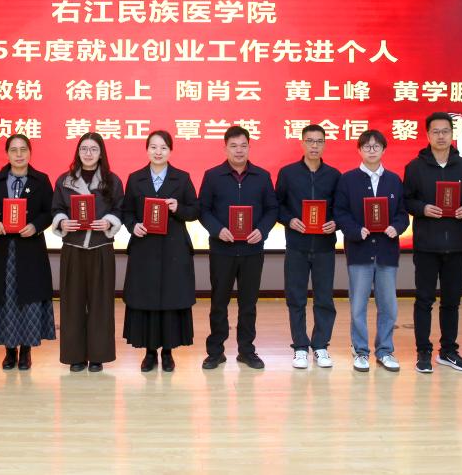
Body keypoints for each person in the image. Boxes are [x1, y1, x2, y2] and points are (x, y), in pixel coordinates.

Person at [403, 112, 462, 374]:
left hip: (456, 244)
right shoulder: (415, 167)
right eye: (435, 131)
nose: (441, 136)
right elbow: (406, 200)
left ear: (452, 134)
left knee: (452, 301)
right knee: (424, 300)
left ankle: (448, 351)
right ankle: (423, 352)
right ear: (427, 135)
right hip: (426, 245)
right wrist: (422, 208)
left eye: (445, 131)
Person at [199, 125, 278, 370]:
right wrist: (217, 229)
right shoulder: (213, 176)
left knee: (248, 303)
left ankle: (246, 350)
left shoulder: (262, 176)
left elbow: (272, 209)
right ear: (225, 148)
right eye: (233, 146)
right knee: (218, 302)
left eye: (243, 145)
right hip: (222, 250)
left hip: (252, 250)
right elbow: (203, 210)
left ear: (249, 147)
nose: (239, 150)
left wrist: (262, 230)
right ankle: (215, 352)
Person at [121, 130, 199, 372]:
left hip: (174, 249)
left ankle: (167, 352)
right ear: (147, 150)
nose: (158, 152)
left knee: (170, 300)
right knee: (146, 300)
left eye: (163, 147)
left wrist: (178, 208)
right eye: (153, 147)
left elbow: (195, 211)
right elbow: (126, 212)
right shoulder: (135, 178)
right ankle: (149, 352)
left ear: (170, 151)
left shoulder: (182, 178)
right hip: (145, 249)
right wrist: (134, 226)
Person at [0, 134, 56, 370]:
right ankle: (10, 351)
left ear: (30, 152)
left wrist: (35, 226)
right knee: (7, 299)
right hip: (2, 249)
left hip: (30, 249)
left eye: (23, 149)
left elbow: (49, 211)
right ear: (7, 154)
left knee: (28, 300)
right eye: (14, 150)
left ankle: (26, 351)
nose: (19, 154)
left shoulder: (41, 180)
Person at [334, 130, 410, 373]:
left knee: (388, 306)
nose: (372, 150)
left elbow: (403, 214)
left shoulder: (394, 180)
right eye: (367, 146)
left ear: (384, 150)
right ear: (359, 150)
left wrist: (396, 227)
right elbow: (340, 212)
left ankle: (385, 351)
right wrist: (356, 231)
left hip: (387, 252)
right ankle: (360, 351)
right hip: (359, 251)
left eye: (376, 146)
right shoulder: (348, 179)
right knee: (358, 306)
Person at [51, 132, 125, 372]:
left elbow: (120, 210)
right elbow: (56, 209)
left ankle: (97, 356)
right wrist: (62, 222)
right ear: (78, 152)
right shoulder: (64, 180)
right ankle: (75, 356)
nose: (88, 153)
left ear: (101, 153)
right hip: (73, 249)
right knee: (72, 303)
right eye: (84, 148)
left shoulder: (112, 181)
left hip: (101, 248)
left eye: (94, 149)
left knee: (101, 303)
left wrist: (109, 221)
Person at [275, 124, 340, 369]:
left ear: (325, 144)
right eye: (310, 141)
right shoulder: (288, 173)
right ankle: (300, 347)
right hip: (297, 246)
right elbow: (277, 205)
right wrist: (289, 219)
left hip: (324, 247)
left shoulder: (334, 175)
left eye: (319, 141)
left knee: (324, 298)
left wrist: (336, 223)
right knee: (296, 298)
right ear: (302, 143)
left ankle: (321, 345)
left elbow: (341, 208)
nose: (314, 145)